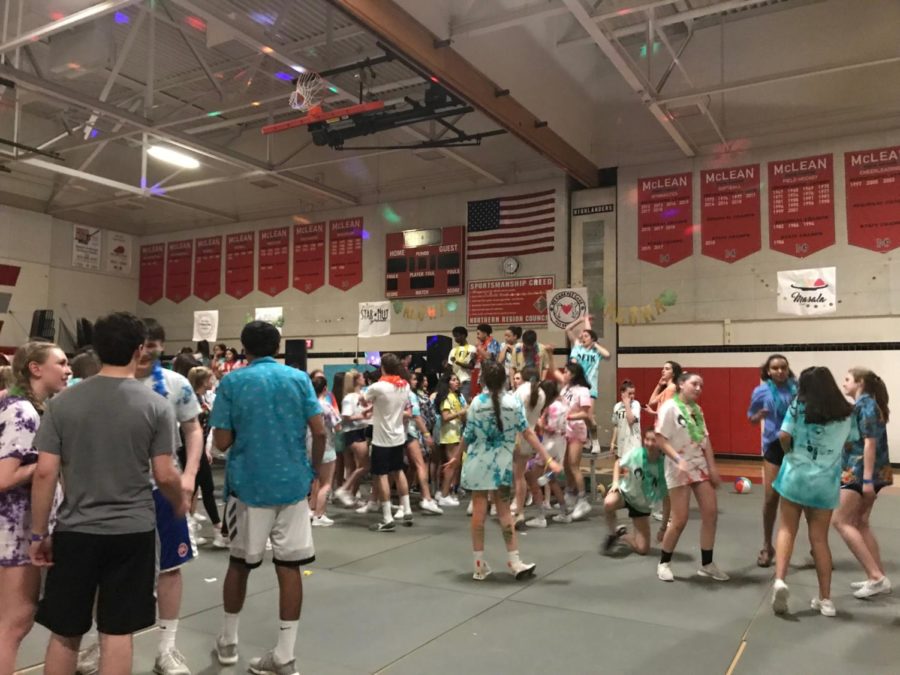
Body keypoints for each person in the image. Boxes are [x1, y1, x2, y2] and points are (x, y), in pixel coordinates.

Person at [29, 312, 187, 675]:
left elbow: (45, 472)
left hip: (76, 530)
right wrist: (179, 500)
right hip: (132, 532)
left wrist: (40, 533)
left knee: (65, 632)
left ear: (96, 350)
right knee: (117, 632)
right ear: (138, 349)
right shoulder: (156, 406)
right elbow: (165, 473)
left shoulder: (62, 403)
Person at [210, 321, 325, 674]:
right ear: (278, 347)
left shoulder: (233, 382)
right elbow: (319, 432)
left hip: (249, 487)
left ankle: (229, 643)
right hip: (292, 485)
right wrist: (313, 475)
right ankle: (285, 656)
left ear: (243, 348)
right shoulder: (298, 378)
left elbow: (222, 442)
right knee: (290, 566)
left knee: (239, 564)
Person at [136, 319, 204, 675]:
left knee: (170, 567)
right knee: (110, 568)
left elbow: (193, 428)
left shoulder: (176, 385)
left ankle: (167, 648)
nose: (148, 350)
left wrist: (190, 475)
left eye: (154, 344)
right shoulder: (107, 382)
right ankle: (100, 643)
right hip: (118, 490)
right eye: (142, 343)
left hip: (163, 488)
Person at [0, 342, 69, 673]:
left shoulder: (15, 405)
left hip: (13, 527)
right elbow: (4, 476)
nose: (68, 370)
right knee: (14, 624)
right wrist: (49, 458)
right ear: (35, 368)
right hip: (15, 530)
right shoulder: (23, 413)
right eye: (62, 363)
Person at [461, 361, 560, 581]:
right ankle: (514, 562)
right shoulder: (513, 403)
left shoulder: (476, 403)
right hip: (500, 467)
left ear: (484, 380)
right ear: (505, 380)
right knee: (505, 513)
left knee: (478, 514)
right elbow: (529, 433)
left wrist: (456, 458)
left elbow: (467, 435)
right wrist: (548, 458)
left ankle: (478, 566)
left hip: (476, 464)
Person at [771, 367, 855, 617]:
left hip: (794, 476)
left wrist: (789, 453)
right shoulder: (847, 411)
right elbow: (851, 442)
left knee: (787, 529)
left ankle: (780, 581)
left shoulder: (799, 405)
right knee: (819, 539)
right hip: (824, 483)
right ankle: (826, 599)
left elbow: (784, 434)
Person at [655, 372, 728, 583]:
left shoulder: (697, 411)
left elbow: (705, 440)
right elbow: (660, 438)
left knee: (711, 513)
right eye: (694, 384)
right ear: (681, 384)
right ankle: (664, 563)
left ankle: (707, 564)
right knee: (680, 519)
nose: (698, 388)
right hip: (678, 467)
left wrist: (712, 467)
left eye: (701, 386)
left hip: (699, 466)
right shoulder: (669, 407)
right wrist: (678, 460)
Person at [833, 368, 893, 599]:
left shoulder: (865, 405)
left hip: (859, 473)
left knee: (840, 521)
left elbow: (870, 444)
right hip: (861, 471)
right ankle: (877, 576)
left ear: (859, 383)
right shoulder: (867, 405)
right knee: (860, 522)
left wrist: (867, 479)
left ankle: (876, 576)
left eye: (847, 379)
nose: (844, 383)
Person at [746, 354, 797, 568]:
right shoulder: (761, 391)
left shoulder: (798, 388)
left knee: (805, 500)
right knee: (770, 498)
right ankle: (767, 545)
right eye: (774, 368)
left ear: (788, 369)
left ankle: (817, 547)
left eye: (783, 367)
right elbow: (750, 417)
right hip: (774, 446)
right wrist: (758, 416)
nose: (779, 371)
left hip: (797, 444)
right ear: (768, 371)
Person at [363, 353, 415, 532]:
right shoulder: (405, 386)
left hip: (381, 439)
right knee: (398, 471)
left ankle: (386, 518)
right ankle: (407, 509)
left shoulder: (378, 387)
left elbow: (363, 400)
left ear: (383, 367)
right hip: (398, 436)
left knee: (381, 475)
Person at [603, 429, 670, 555]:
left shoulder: (665, 466)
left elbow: (667, 501)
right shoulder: (636, 454)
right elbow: (618, 463)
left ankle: (622, 535)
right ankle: (612, 533)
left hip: (642, 506)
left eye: (654, 440)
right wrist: (616, 482)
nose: (649, 443)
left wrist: (663, 528)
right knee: (608, 503)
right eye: (647, 439)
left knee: (643, 549)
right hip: (626, 494)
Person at [187, 366, 227, 548]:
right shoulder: (191, 400)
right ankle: (196, 531)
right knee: (197, 489)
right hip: (190, 451)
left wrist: (206, 449)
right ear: (203, 381)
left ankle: (214, 530)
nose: (212, 382)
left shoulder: (202, 399)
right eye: (210, 379)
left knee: (203, 489)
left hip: (200, 449)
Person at [555, 361, 593, 522]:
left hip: (577, 429)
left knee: (573, 465)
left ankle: (583, 499)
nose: (563, 374)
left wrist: (569, 416)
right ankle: (570, 493)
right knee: (565, 465)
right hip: (565, 429)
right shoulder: (565, 389)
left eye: (566, 372)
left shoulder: (583, 391)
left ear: (573, 374)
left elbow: (586, 414)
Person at [511, 367, 545, 529]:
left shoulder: (520, 392)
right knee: (520, 475)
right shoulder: (542, 394)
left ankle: (519, 511)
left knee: (518, 476)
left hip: (518, 436)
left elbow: (516, 417)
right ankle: (518, 509)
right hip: (530, 438)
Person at [333, 370, 372, 509]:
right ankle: (344, 489)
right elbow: (346, 416)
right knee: (364, 465)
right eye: (362, 377)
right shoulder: (349, 397)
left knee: (359, 466)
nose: (364, 379)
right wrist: (362, 416)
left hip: (360, 431)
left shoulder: (360, 396)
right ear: (356, 380)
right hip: (353, 433)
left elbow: (366, 411)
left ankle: (350, 493)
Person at [435, 374, 466, 507]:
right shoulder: (446, 397)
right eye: (453, 380)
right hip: (449, 434)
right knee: (451, 465)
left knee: (454, 464)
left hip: (456, 432)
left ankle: (447, 492)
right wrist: (461, 412)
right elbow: (445, 417)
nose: (457, 382)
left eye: (457, 379)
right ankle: (444, 494)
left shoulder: (456, 397)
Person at [565, 315, 611, 401]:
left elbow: (607, 355)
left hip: (590, 386)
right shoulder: (578, 347)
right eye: (582, 336)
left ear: (592, 339)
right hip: (577, 385)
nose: (583, 338)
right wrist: (580, 320)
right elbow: (568, 329)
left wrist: (595, 344)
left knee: (589, 414)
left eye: (585, 336)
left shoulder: (596, 351)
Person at [610, 380, 642, 460]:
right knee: (621, 469)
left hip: (634, 444)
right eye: (629, 393)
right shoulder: (617, 406)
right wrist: (613, 442)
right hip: (621, 445)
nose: (632, 396)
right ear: (622, 393)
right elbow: (616, 425)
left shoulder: (635, 404)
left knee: (632, 471)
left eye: (633, 393)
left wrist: (627, 404)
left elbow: (631, 421)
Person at [471, 324, 501, 397]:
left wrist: (478, 347)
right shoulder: (481, 344)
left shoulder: (493, 342)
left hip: (491, 372)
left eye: (478, 333)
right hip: (480, 371)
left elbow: (489, 357)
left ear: (485, 333)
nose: (477, 336)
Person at [448, 326, 476, 401]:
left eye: (457, 336)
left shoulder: (472, 348)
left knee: (464, 402)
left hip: (466, 381)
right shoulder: (453, 350)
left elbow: (471, 366)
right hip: (455, 382)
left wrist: (457, 362)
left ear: (463, 335)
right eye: (454, 336)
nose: (455, 339)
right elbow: (450, 367)